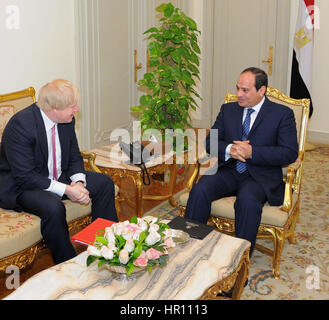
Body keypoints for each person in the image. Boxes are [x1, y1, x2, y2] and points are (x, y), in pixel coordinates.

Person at [0, 79, 118, 264]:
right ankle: (68, 265)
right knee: (53, 207)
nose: (77, 109)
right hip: (22, 186)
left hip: (54, 175)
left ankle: (106, 247)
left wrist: (78, 183)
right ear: (54, 108)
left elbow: (73, 156)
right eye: (72, 106)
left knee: (103, 183)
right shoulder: (21, 126)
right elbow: (25, 176)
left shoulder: (65, 120)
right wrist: (67, 190)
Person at [185, 67, 298, 255]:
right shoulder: (228, 109)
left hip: (259, 176)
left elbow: (289, 153)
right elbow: (210, 142)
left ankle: (239, 262)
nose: (238, 94)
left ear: (261, 91)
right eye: (238, 88)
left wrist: (253, 152)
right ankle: (189, 248)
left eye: (245, 90)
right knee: (200, 190)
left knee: (247, 202)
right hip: (229, 169)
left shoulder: (281, 114)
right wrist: (230, 149)